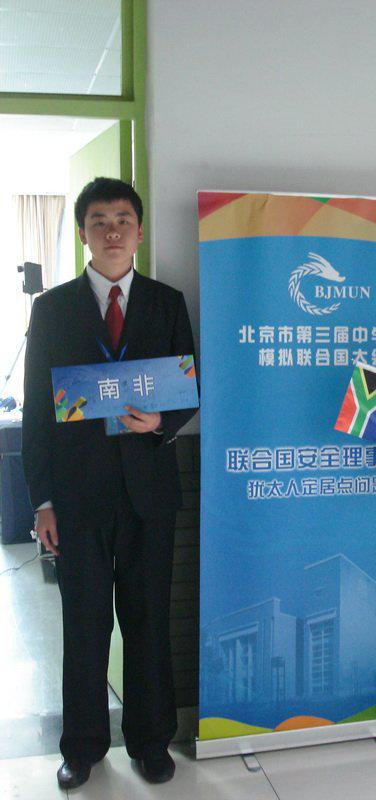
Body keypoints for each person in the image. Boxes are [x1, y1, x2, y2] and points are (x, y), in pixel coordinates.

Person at [21, 178, 197, 790]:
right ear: (83, 233)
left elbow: (188, 386)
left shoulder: (166, 303)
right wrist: (43, 501)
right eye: (99, 221)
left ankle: (151, 742)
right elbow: (37, 413)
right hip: (77, 498)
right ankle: (83, 746)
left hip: (149, 492)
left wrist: (162, 422)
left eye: (123, 219)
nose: (112, 230)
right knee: (85, 625)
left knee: (148, 622)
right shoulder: (52, 309)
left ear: (139, 231)